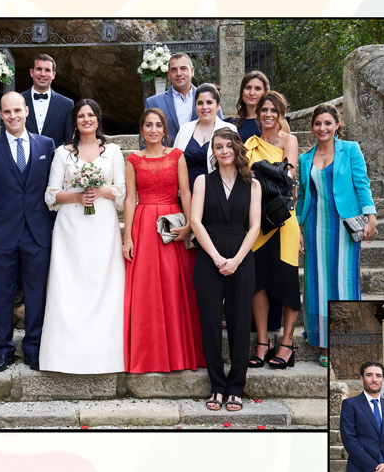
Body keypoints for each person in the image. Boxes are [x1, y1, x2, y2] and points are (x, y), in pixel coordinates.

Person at [39, 99, 126, 374]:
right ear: (74, 121)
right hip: (70, 227)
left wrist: (100, 191)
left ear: (98, 119)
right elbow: (51, 194)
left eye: (91, 115)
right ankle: (63, 355)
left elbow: (122, 192)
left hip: (102, 225)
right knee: (70, 285)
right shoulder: (62, 153)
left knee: (103, 283)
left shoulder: (113, 151)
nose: (86, 119)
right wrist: (77, 195)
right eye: (81, 116)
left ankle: (106, 354)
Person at [0, 91, 55, 372]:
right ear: (0, 115)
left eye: (17, 111)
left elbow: (53, 190)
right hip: (1, 234)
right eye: (7, 112)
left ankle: (33, 347)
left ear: (27, 111)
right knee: (2, 293)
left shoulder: (47, 144)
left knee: (36, 293)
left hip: (37, 232)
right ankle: (4, 350)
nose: (13, 116)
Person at [122, 107, 202, 374]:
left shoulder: (177, 157)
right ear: (142, 130)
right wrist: (127, 238)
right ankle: (149, 354)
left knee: (175, 287)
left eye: (158, 125)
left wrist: (190, 224)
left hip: (172, 226)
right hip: (145, 227)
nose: (153, 130)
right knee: (147, 291)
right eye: (148, 125)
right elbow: (130, 199)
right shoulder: (132, 160)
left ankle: (180, 352)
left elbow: (186, 193)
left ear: (165, 130)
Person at [187, 128, 260, 412]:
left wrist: (237, 259)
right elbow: (195, 222)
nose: (224, 151)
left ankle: (235, 387)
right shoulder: (203, 181)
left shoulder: (253, 184)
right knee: (210, 322)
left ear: (237, 148)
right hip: (209, 256)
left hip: (242, 256)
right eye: (219, 147)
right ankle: (216, 386)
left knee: (241, 322)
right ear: (213, 152)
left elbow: (254, 226)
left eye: (229, 146)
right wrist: (217, 257)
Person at [295, 103, 374, 361]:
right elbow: (304, 195)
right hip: (316, 225)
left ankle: (345, 341)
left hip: (345, 224)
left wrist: (370, 217)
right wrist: (298, 227)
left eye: (328, 123)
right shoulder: (305, 158)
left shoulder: (350, 150)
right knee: (317, 284)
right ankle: (323, 343)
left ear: (337, 125)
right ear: (312, 127)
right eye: (318, 124)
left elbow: (362, 184)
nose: (322, 128)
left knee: (344, 283)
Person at [245, 92, 302, 369]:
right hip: (257, 218)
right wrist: (269, 171)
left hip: (283, 217)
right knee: (258, 282)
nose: (268, 114)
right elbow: (246, 178)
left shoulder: (290, 141)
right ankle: (263, 342)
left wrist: (259, 170)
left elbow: (288, 177)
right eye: (264, 110)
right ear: (258, 115)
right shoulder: (250, 143)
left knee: (287, 278)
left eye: (273, 110)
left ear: (281, 115)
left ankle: (288, 343)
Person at [144, 53, 221, 146]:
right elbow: (144, 139)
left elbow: (222, 130)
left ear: (192, 71)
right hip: (167, 158)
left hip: (202, 158)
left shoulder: (209, 99)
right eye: (174, 70)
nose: (179, 73)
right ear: (168, 74)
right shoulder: (154, 102)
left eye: (183, 68)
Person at [172, 84, 237, 186]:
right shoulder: (185, 129)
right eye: (200, 103)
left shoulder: (229, 130)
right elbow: (173, 162)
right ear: (195, 106)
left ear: (218, 105)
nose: (204, 107)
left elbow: (235, 164)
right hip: (186, 192)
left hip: (216, 190)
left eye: (209, 102)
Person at [21, 54, 73, 146]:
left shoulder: (67, 104)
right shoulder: (18, 100)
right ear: (31, 72)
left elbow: (69, 141)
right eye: (39, 69)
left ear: (53, 75)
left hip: (55, 158)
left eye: (47, 70)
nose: (43, 74)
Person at [233, 70, 269, 141]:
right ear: (242, 91)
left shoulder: (276, 121)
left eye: (257, 89)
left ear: (265, 92)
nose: (252, 93)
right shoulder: (232, 124)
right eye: (248, 88)